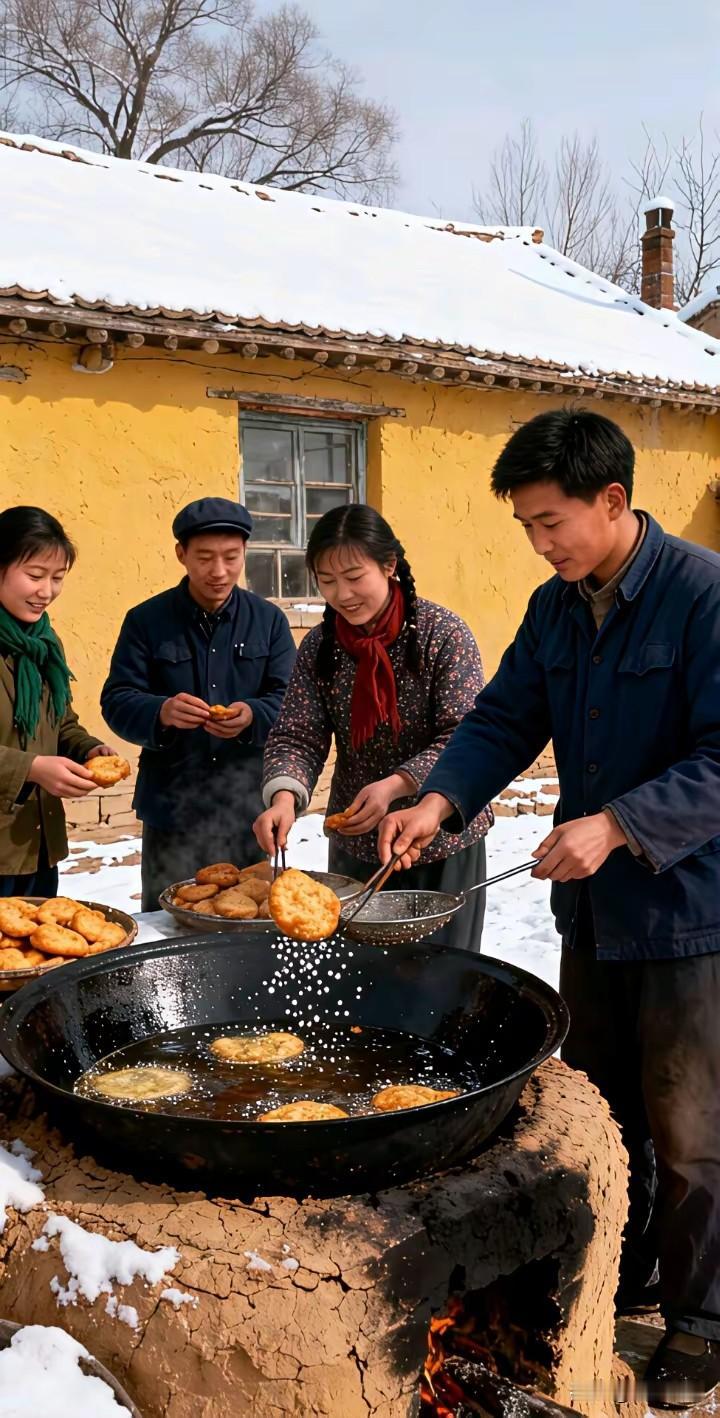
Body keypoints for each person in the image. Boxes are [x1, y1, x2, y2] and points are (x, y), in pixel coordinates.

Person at [378, 408, 720, 1408]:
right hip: (596, 915)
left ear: (612, 501)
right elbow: (504, 716)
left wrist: (616, 821)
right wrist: (438, 797)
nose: (540, 541)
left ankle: (701, 1321)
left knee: (694, 1127)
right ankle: (630, 1271)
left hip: (692, 911)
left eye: (550, 519)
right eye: (526, 524)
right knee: (606, 1115)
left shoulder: (703, 597)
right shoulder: (556, 604)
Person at [254, 504, 492, 951]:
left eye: (353, 576)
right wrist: (284, 796)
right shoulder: (321, 646)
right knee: (361, 982)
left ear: (389, 565)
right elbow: (297, 733)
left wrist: (398, 785)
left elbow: (465, 736)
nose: (342, 594)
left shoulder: (442, 634)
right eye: (327, 581)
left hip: (440, 836)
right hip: (358, 842)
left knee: (443, 980)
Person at [101, 497, 296, 911]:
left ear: (245, 553)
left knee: (243, 925)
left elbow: (291, 704)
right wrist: (161, 712)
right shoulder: (146, 621)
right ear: (181, 554)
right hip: (172, 812)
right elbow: (117, 700)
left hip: (247, 813)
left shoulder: (270, 622)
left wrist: (254, 715)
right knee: (167, 927)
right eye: (205, 557)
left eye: (231, 556)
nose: (219, 571)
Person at [0, 506, 117, 899]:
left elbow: (60, 721)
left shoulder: (44, 643)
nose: (46, 591)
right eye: (34, 575)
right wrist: (30, 768)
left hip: (38, 845)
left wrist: (87, 748)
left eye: (57, 578)